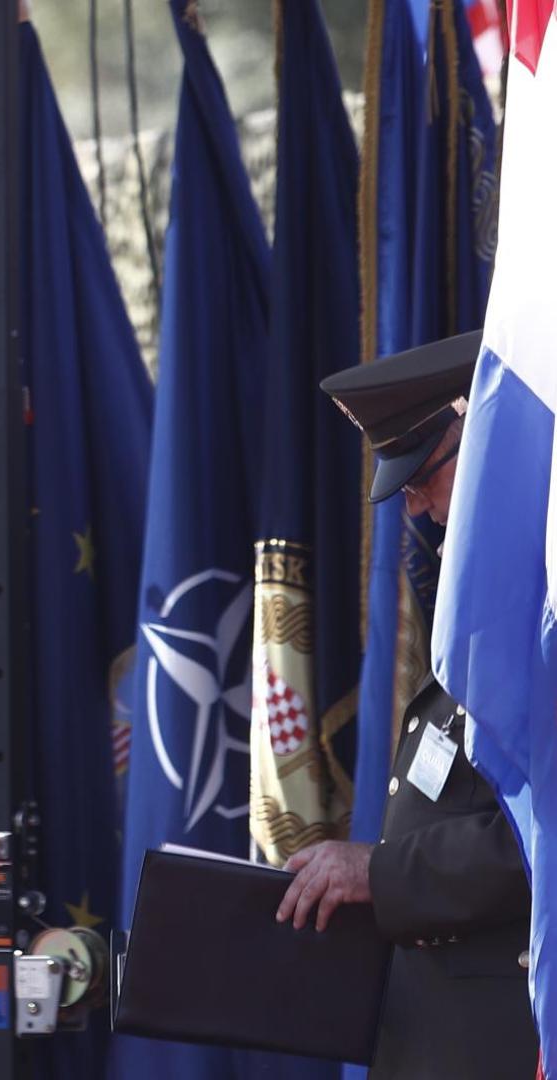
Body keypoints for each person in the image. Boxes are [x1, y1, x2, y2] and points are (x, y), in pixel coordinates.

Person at [282, 329, 535, 1079]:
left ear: (487, 431)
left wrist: (380, 873)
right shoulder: (484, 613)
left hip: (505, 1040)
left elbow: (539, 834)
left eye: (426, 473)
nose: (419, 507)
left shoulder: (539, 616)